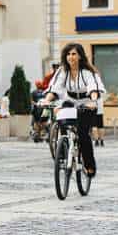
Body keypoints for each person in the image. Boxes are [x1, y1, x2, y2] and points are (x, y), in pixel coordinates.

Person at [41, 43, 102, 176]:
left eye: (74, 54)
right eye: (68, 54)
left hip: (86, 103)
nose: (71, 57)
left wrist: (92, 100)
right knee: (61, 120)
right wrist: (47, 100)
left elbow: (93, 86)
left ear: (80, 56)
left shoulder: (87, 72)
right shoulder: (63, 71)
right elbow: (55, 88)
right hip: (69, 100)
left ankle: (89, 164)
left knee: (82, 134)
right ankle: (63, 152)